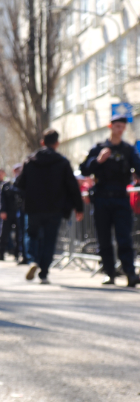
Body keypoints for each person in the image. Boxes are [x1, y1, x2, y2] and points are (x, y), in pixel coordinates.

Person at [15, 129, 84, 284]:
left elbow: (20, 184)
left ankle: (33, 259)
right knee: (49, 239)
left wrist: (23, 201)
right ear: (57, 143)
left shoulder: (30, 161)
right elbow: (72, 186)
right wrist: (79, 207)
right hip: (55, 208)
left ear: (42, 142)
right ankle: (44, 272)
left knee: (32, 234)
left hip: (33, 207)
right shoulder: (62, 162)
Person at [78, 115, 140, 287]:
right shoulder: (99, 148)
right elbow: (84, 169)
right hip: (101, 198)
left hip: (121, 197)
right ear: (110, 127)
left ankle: (130, 273)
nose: (119, 129)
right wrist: (98, 161)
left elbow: (138, 167)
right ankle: (109, 273)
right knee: (104, 238)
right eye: (116, 126)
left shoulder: (128, 149)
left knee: (124, 238)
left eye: (122, 127)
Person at [0, 164, 23, 261]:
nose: (17, 172)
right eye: (16, 170)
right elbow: (1, 199)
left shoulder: (23, 183)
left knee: (19, 235)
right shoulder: (7, 184)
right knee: (3, 234)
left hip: (19, 212)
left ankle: (17, 255)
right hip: (7, 213)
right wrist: (2, 211)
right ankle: (1, 254)